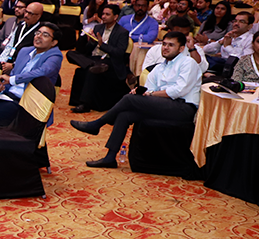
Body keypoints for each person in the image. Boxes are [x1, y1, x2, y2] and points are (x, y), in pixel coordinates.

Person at [71, 31, 202, 168]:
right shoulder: (160, 67)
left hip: (183, 108)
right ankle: (110, 157)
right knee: (124, 115)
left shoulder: (188, 63)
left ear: (181, 49)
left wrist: (150, 94)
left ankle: (97, 124)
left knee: (129, 99)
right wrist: (141, 92)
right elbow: (149, 88)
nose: (165, 48)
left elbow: (179, 91)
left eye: (171, 45)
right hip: (164, 105)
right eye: (164, 44)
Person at [0, 23, 63, 126]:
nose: (39, 36)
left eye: (45, 35)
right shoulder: (25, 51)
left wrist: (12, 79)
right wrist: (1, 89)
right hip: (8, 96)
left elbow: (43, 71)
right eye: (38, 33)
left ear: (54, 42)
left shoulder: (55, 56)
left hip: (24, 103)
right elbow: (13, 78)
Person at [68, 4, 131, 113]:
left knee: (90, 72)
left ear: (115, 17)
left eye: (107, 14)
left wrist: (102, 45)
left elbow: (119, 53)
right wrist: (91, 42)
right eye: (103, 14)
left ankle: (85, 104)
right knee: (71, 53)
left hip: (110, 61)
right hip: (94, 59)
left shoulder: (122, 32)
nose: (104, 16)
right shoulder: (98, 27)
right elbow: (88, 49)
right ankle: (91, 64)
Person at [141, 15, 208, 75]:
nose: (182, 38)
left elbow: (202, 69)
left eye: (186, 35)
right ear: (170, 32)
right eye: (178, 35)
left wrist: (192, 49)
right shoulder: (155, 50)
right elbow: (146, 72)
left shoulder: (195, 49)